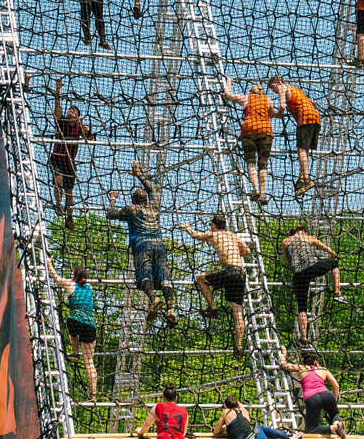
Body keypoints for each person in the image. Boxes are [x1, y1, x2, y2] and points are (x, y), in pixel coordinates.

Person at [103, 162, 176, 326]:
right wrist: (139, 174)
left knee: (144, 276)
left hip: (142, 245)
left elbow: (110, 214)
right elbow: (151, 189)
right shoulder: (155, 206)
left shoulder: (131, 209)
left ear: (133, 200)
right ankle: (170, 309)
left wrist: (113, 199)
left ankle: (154, 298)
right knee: (165, 278)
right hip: (159, 245)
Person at [182, 214, 251, 355]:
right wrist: (234, 252)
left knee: (200, 278)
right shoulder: (233, 236)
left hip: (230, 271)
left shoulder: (214, 235)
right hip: (241, 273)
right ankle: (238, 346)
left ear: (214, 225)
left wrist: (187, 228)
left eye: (210, 225)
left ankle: (212, 308)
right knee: (237, 311)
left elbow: (196, 236)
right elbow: (247, 251)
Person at [44, 256, 99, 398]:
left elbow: (55, 277)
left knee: (72, 332)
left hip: (74, 320)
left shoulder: (70, 285)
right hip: (90, 324)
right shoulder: (89, 287)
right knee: (89, 362)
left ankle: (75, 353)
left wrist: (49, 263)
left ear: (74, 277)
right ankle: (93, 394)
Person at [281, 224, 343, 342]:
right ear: (302, 231)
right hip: (311, 268)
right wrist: (333, 254)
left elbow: (286, 262)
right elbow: (323, 246)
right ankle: (337, 293)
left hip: (298, 275)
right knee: (334, 265)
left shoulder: (285, 241)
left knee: (302, 308)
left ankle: (303, 338)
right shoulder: (307, 237)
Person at [221, 77, 274, 206]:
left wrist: (228, 83)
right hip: (265, 131)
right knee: (263, 163)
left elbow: (228, 95)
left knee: (251, 162)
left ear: (251, 91)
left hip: (248, 131)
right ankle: (262, 192)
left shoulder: (246, 98)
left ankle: (254, 189)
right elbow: (272, 114)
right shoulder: (268, 100)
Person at [268, 74, 321, 197]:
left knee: (301, 149)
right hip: (315, 118)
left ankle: (307, 179)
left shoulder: (283, 87)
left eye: (273, 88)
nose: (274, 91)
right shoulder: (297, 90)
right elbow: (312, 102)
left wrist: (278, 114)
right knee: (305, 150)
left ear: (278, 82)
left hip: (305, 118)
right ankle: (301, 179)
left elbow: (282, 105)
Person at [47, 82, 93, 223]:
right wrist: (58, 90)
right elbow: (57, 108)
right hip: (56, 159)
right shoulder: (62, 122)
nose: (70, 112)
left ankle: (70, 218)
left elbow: (90, 137)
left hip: (69, 162)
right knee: (58, 180)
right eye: (70, 111)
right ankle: (58, 205)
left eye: (74, 112)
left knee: (69, 192)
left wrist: (81, 123)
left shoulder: (79, 127)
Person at [278, 350, 345, 439]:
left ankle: (333, 428)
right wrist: (334, 401)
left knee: (311, 430)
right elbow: (336, 386)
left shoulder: (301, 368)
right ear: (316, 362)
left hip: (312, 398)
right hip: (327, 394)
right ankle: (337, 425)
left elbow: (283, 364)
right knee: (334, 414)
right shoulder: (323, 369)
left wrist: (284, 353)